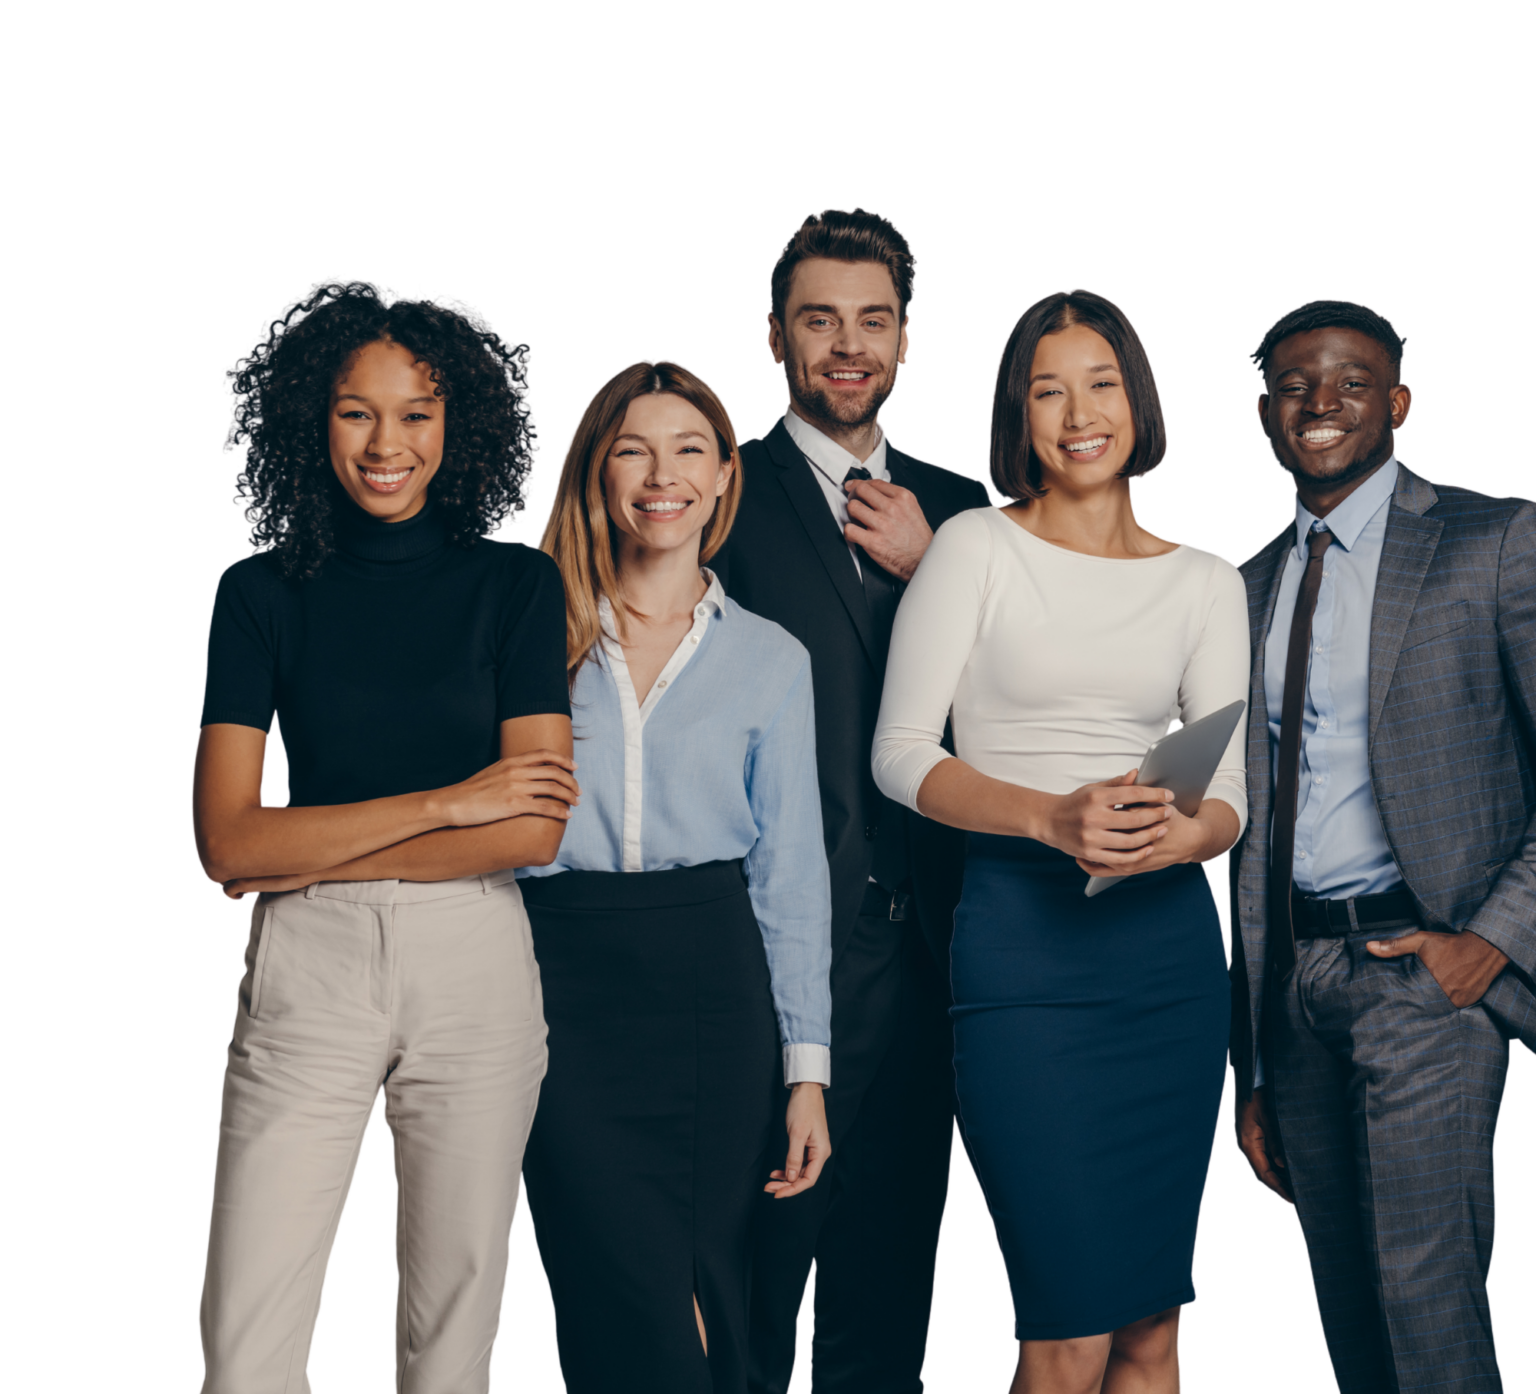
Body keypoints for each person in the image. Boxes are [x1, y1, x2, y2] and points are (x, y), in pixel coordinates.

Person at [193, 282, 578, 1391]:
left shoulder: (514, 584)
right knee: (245, 1347)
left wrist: (301, 841)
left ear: (458, 426)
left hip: (474, 962)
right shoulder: (258, 593)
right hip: (306, 966)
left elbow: (537, 825)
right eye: (358, 411)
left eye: (416, 411)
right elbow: (224, 841)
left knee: (453, 1348)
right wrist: (447, 802)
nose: (387, 442)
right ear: (313, 419)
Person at [873, 288, 1247, 1393]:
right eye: (1049, 389)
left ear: (1139, 401)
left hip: (1169, 970)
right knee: (1066, 1330)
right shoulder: (974, 549)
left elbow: (1226, 798)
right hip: (1023, 961)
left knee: (1150, 1331)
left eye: (1102, 383)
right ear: (1017, 416)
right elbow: (898, 755)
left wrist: (1176, 838)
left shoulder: (1207, 580)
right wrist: (1051, 815)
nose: (1080, 411)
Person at [1231, 299, 1535, 1394]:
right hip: (1297, 991)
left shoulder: (1492, 539)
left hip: (1424, 978)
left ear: (1398, 402)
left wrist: (1489, 942)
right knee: (1351, 1316)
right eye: (1298, 384)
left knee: (1426, 1305)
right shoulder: (1248, 582)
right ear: (1267, 409)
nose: (1323, 403)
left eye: (1352, 381)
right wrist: (1255, 1060)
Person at [709, 207, 988, 1393]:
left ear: (909, 341)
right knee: (756, 1287)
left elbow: (1029, 714)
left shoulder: (970, 511)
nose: (847, 344)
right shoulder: (714, 493)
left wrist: (943, 571)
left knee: (889, 1298)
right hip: (775, 961)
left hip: (933, 955)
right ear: (774, 337)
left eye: (872, 320)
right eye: (819, 319)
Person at [520, 359, 833, 1394]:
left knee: (709, 1300)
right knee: (623, 1300)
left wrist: (808, 1070)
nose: (663, 473)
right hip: (556, 985)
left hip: (713, 989)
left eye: (689, 447)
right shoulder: (526, 637)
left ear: (723, 476)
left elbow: (791, 876)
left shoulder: (772, 659)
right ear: (597, 474)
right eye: (634, 449)